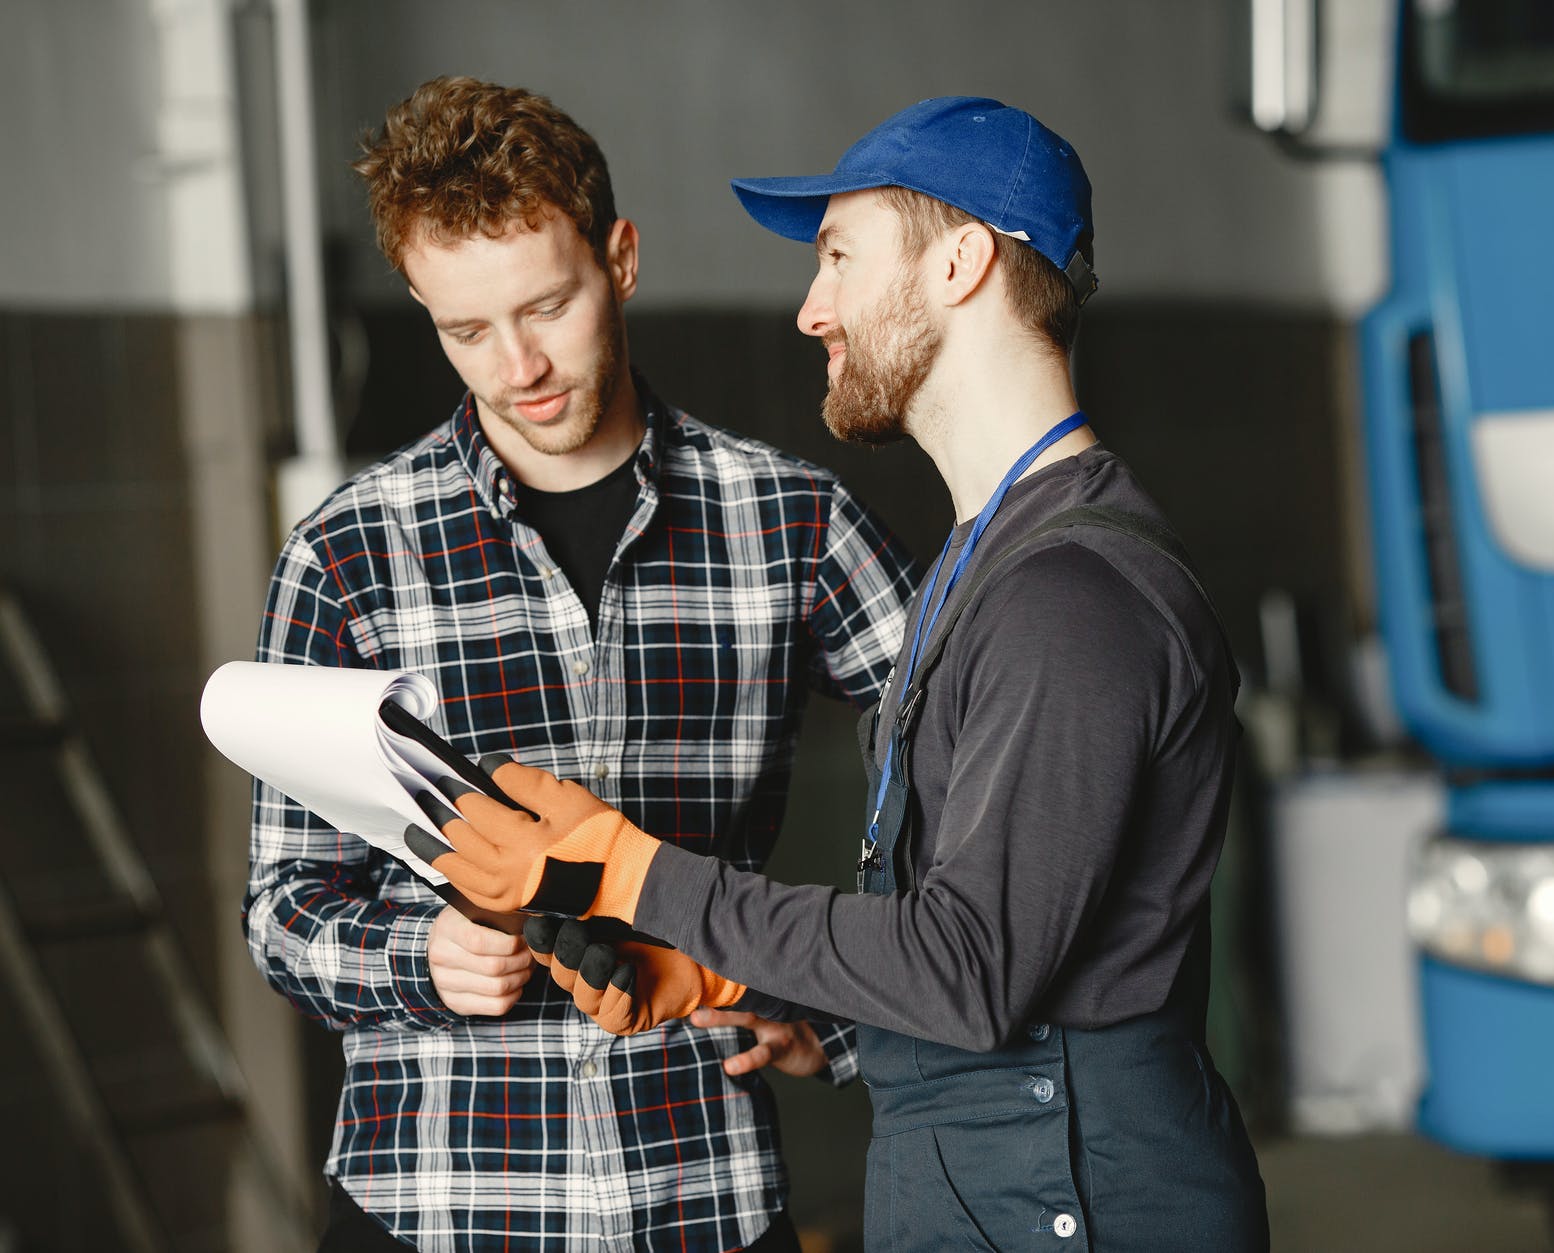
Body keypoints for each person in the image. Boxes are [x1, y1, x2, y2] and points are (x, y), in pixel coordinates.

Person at [411, 96, 1269, 1251]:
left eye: (837, 256)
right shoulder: (984, 561)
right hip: (1002, 1185)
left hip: (1076, 1197)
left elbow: (970, 967)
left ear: (962, 261)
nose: (812, 308)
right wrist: (734, 983)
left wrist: (631, 871)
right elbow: (975, 932)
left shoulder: (1070, 599)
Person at [242, 76, 916, 1253]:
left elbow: (971, 802)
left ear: (622, 259)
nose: (516, 366)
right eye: (464, 330)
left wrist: (839, 1018)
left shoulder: (790, 518)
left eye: (548, 305)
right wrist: (424, 956)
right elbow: (281, 906)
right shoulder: (347, 553)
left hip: (700, 1187)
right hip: (433, 1199)